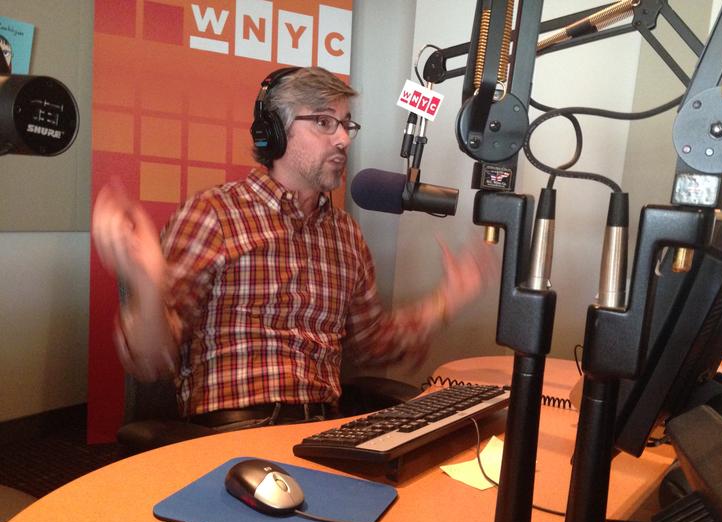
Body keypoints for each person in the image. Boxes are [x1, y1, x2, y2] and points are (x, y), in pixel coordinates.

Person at [92, 66, 496, 429]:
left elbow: (374, 342)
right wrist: (146, 283)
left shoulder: (346, 235)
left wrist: (446, 301)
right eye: (324, 122)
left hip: (323, 431)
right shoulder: (214, 214)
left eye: (346, 125)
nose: (342, 139)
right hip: (232, 432)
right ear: (276, 131)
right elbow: (152, 360)